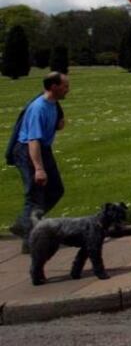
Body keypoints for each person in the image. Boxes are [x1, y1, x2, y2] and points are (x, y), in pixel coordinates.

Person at [7, 72, 68, 251]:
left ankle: (24, 223)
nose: (68, 90)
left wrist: (59, 122)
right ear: (54, 87)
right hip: (28, 151)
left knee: (56, 189)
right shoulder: (38, 108)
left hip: (43, 148)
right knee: (35, 195)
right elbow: (33, 140)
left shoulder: (53, 104)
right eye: (65, 86)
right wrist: (39, 169)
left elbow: (57, 124)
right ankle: (30, 239)